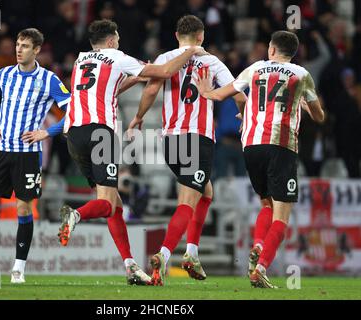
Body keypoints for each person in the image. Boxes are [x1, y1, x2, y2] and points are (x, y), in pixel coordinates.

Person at [51, 19, 206, 286]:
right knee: (108, 203)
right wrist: (190, 51)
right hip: (100, 133)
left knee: (115, 207)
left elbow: (109, 91)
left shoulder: (81, 61)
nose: (119, 42)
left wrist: (134, 79)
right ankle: (75, 215)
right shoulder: (117, 57)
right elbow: (165, 71)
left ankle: (130, 265)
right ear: (111, 40)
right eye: (118, 38)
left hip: (74, 134)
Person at [195, 30, 325, 288]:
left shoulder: (254, 69)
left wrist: (207, 91)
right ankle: (261, 267)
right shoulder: (301, 75)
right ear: (293, 53)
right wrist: (303, 104)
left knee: (266, 203)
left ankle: (257, 245)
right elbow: (319, 116)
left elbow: (222, 95)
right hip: (282, 145)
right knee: (281, 215)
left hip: (251, 145)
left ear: (272, 50)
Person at [128, 15, 247, 285]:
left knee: (206, 191)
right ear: (201, 36)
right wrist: (242, 114)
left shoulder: (164, 57)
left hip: (170, 139)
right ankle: (165, 254)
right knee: (187, 201)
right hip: (198, 138)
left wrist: (138, 117)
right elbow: (238, 92)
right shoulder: (211, 61)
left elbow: (150, 90)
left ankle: (192, 252)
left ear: (176, 35)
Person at [0, 28, 70, 284]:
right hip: (1, 151)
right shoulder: (4, 74)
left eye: (25, 46)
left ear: (37, 50)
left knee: (23, 207)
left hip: (28, 155)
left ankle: (19, 268)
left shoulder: (49, 79)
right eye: (18, 44)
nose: (19, 49)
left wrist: (46, 132)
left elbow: (72, 112)